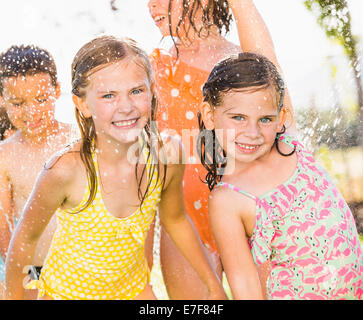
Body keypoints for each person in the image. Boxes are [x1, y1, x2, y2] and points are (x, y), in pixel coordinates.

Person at [4, 35, 226, 300]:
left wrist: (213, 285)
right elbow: (24, 241)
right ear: (83, 104)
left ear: (152, 90)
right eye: (109, 95)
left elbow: (176, 219)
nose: (126, 107)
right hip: (67, 294)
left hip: (132, 290)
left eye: (136, 91)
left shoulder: (167, 154)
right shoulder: (65, 169)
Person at [146, 0, 295, 298]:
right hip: (185, 221)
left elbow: (281, 109)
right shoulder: (154, 66)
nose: (152, 4)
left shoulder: (244, 61)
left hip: (249, 213)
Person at [198, 52, 363, 299]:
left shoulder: (291, 145)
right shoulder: (228, 199)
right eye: (238, 118)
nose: (252, 132)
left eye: (264, 119)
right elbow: (245, 284)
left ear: (281, 119)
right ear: (210, 116)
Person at [0, 45, 75, 299]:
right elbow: (3, 230)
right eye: (18, 103)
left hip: (83, 267)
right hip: (36, 271)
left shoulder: (77, 140)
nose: (30, 112)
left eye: (41, 100)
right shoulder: (6, 156)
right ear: (2, 99)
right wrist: (25, 278)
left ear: (57, 91)